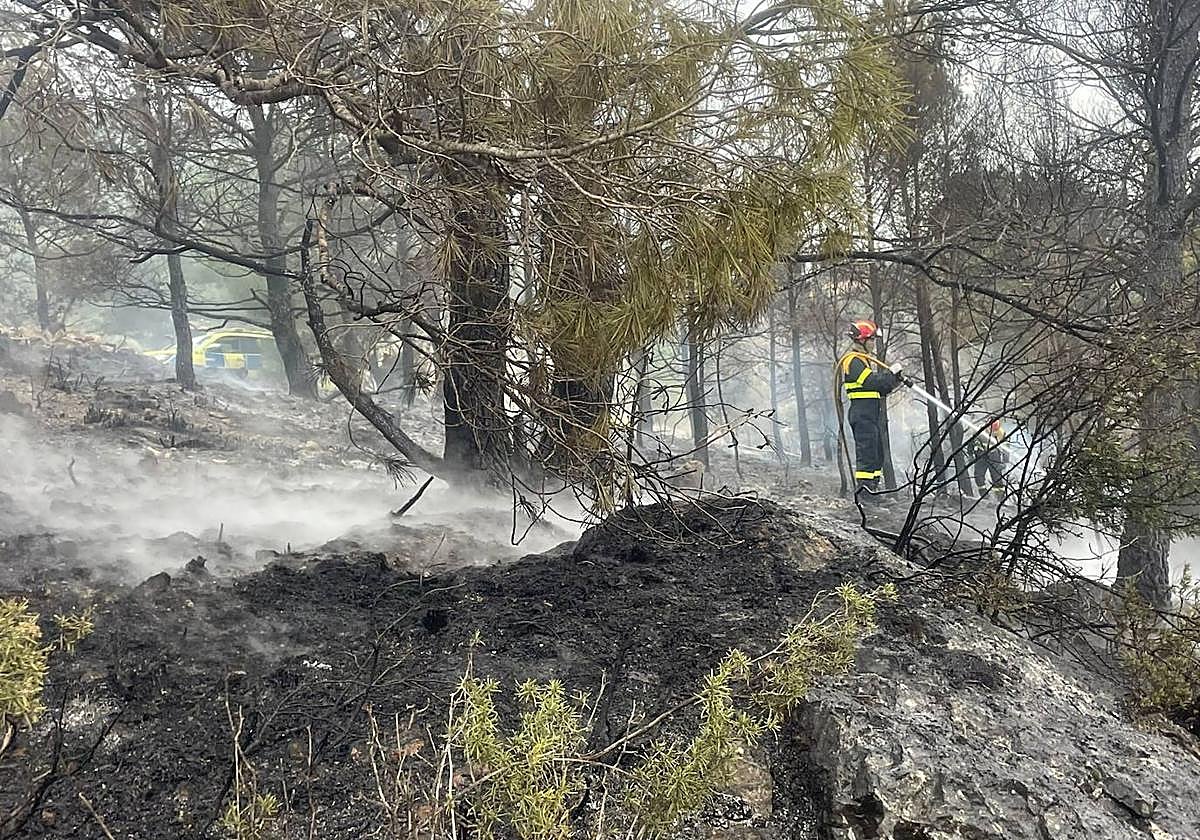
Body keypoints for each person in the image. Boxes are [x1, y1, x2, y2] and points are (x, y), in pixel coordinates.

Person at [840, 320, 904, 502]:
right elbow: (872, 382)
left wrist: (894, 380)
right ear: (862, 340)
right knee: (867, 455)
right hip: (862, 414)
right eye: (872, 340)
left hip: (870, 414)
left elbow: (881, 388)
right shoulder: (853, 361)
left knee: (877, 455)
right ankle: (865, 496)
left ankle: (872, 491)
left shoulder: (863, 361)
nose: (873, 343)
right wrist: (890, 374)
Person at [972, 419, 1008, 497]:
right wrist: (972, 454)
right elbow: (972, 442)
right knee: (979, 476)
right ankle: (984, 496)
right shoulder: (980, 430)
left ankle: (1000, 498)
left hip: (994, 456)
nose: (994, 431)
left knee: (997, 477)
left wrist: (1005, 460)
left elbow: (1006, 448)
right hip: (981, 455)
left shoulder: (1001, 433)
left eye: (996, 429)